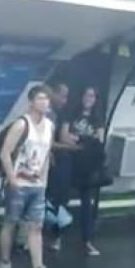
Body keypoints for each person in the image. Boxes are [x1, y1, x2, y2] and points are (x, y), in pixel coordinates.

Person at [0, 85, 63, 268]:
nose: (45, 102)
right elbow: (5, 153)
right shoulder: (21, 124)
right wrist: (12, 179)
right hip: (19, 183)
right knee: (11, 223)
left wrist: (44, 181)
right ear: (32, 102)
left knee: (36, 227)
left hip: (37, 185)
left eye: (48, 99)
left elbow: (46, 155)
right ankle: (5, 265)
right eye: (41, 98)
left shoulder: (50, 126)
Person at [56, 86, 105, 256]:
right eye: (86, 94)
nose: (89, 98)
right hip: (69, 160)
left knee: (87, 203)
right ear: (81, 96)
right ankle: (57, 236)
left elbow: (100, 139)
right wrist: (85, 141)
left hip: (87, 164)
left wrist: (78, 139)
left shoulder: (97, 118)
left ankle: (87, 240)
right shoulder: (71, 113)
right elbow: (63, 136)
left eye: (92, 95)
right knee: (62, 198)